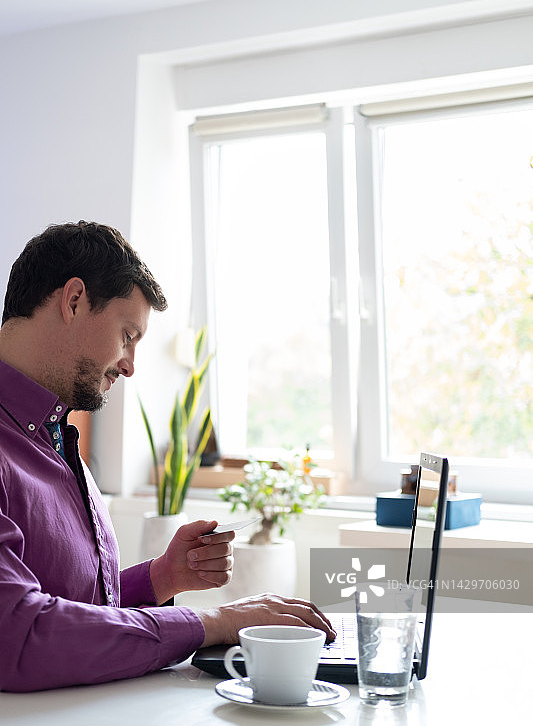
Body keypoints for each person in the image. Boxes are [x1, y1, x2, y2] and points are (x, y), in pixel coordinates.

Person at [0, 221, 335, 697]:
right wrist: (213, 622)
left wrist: (163, 577)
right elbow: (19, 634)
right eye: (127, 335)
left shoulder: (56, 439)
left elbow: (76, 609)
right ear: (73, 301)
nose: (129, 365)